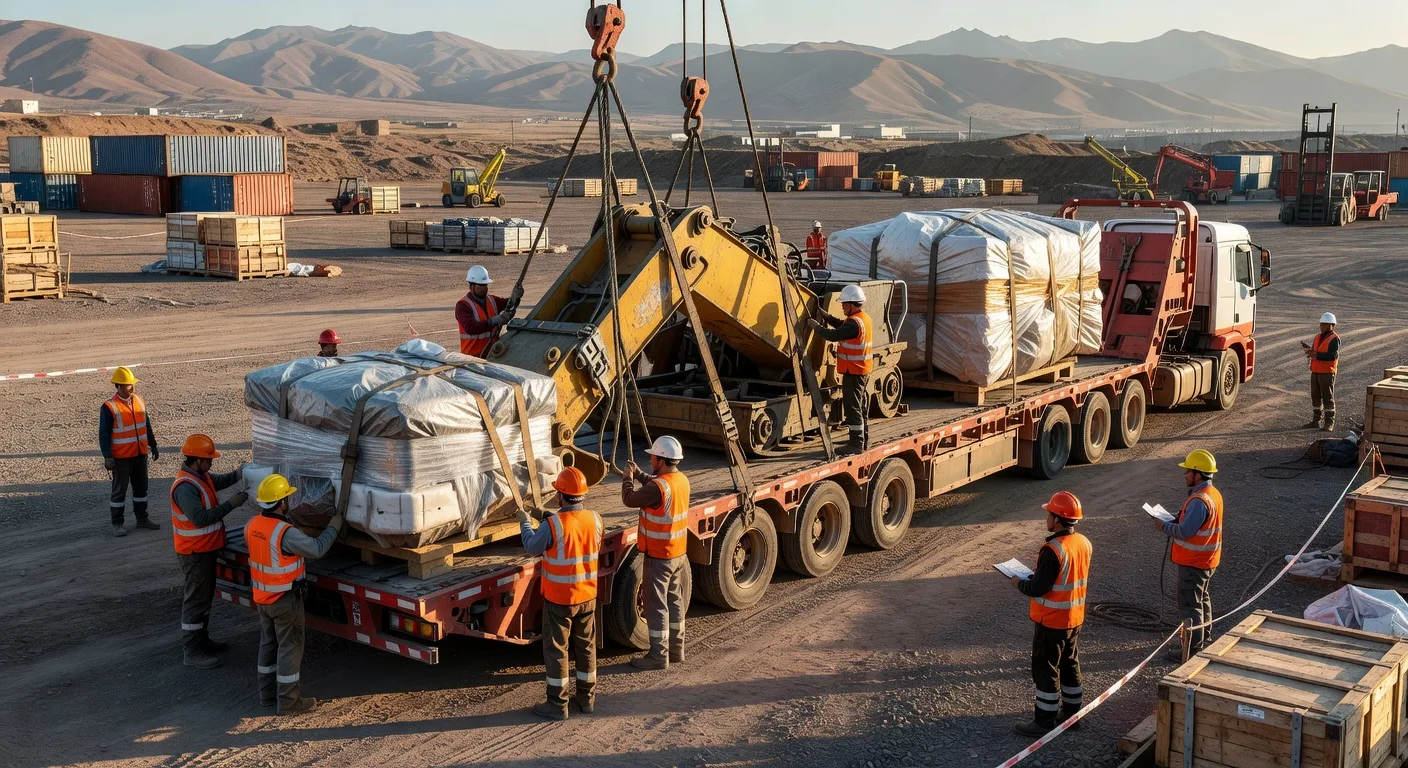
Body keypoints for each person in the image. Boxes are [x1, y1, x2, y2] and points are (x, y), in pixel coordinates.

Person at [245, 474, 343, 716]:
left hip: (262, 597)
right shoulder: (284, 533)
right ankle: (289, 702)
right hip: (284, 599)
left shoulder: (252, 525)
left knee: (268, 644)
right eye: (287, 497)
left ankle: (267, 695)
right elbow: (317, 549)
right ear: (282, 503)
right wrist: (334, 526)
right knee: (290, 647)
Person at [517, 467, 603, 720]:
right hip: (587, 596)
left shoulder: (553, 525)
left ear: (561, 496)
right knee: (586, 648)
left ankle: (557, 704)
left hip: (560, 599)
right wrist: (545, 516)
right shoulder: (595, 519)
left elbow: (532, 546)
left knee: (557, 650)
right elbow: (575, 533)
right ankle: (587, 699)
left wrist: (524, 522)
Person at [1011, 491, 1091, 737]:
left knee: (1046, 670)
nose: (1046, 518)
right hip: (1073, 618)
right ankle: (1072, 715)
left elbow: (1039, 588)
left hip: (1052, 622)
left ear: (1057, 519)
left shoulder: (1053, 549)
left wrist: (1019, 583)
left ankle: (1044, 723)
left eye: (1049, 514)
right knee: (1069, 664)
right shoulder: (1083, 543)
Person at [170, 434, 249, 669]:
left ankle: (202, 642)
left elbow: (220, 481)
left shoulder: (200, 476)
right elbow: (201, 518)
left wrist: (240, 473)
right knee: (196, 601)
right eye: (209, 459)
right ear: (197, 460)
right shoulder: (186, 487)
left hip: (205, 550)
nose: (212, 462)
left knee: (204, 599)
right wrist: (231, 504)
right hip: (195, 553)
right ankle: (192, 651)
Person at [622, 436, 690, 670]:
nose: (650, 460)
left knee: (656, 606)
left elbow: (629, 499)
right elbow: (656, 485)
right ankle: (677, 651)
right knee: (674, 601)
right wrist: (640, 474)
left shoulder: (657, 488)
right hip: (678, 553)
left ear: (661, 460)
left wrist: (628, 478)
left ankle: (658, 656)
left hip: (659, 556)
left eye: (653, 457)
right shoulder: (680, 480)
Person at [1155, 450, 1223, 661]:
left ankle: (1192, 650)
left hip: (1194, 563)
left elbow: (1185, 531)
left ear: (1198, 474)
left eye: (1188, 471)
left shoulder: (1199, 500)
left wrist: (1163, 526)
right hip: (1207, 560)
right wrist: (1176, 518)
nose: (1185, 475)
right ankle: (1204, 639)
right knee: (1201, 599)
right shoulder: (1212, 494)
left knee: (1190, 606)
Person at [807, 284, 873, 454]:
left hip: (854, 372)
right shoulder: (861, 318)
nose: (842, 306)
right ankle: (862, 439)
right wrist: (826, 316)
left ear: (852, 304)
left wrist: (816, 327)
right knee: (859, 406)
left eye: (844, 303)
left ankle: (856, 444)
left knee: (852, 408)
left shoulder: (854, 324)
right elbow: (840, 325)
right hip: (859, 370)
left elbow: (833, 335)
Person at [99, 366, 160, 537]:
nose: (131, 387)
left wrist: (153, 444)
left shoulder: (139, 401)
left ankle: (142, 518)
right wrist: (107, 456)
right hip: (121, 458)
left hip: (140, 454)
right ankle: (117, 524)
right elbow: (104, 434)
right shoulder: (109, 407)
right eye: (127, 385)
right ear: (118, 386)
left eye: (132, 384)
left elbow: (146, 425)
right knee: (119, 491)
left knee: (141, 489)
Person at [455, 265, 519, 357]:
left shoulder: (492, 300)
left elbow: (508, 303)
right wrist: (495, 320)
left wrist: (516, 297)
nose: (484, 288)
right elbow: (471, 328)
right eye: (481, 285)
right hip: (472, 358)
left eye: (485, 284)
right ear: (471, 286)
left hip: (492, 355)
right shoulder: (463, 305)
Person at [1303, 312, 1340, 431]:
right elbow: (1316, 350)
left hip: (1327, 372)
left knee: (1327, 397)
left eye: (1324, 324)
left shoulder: (1334, 339)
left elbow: (1332, 356)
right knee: (1316, 397)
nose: (1321, 327)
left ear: (1332, 325)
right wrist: (1310, 352)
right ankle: (1316, 421)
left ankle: (1329, 423)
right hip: (1315, 371)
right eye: (1321, 324)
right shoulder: (1317, 337)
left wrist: (1316, 355)